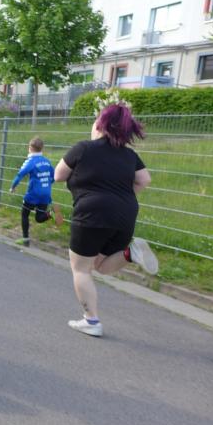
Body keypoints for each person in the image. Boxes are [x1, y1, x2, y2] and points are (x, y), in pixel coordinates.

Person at [54, 103, 158, 337]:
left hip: (91, 213)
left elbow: (58, 175)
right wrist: (121, 194)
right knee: (100, 266)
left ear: (100, 125)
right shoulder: (129, 155)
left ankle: (91, 321)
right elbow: (145, 180)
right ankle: (131, 253)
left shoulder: (84, 148)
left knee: (81, 269)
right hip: (125, 214)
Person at [9, 137, 63, 247]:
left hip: (33, 194)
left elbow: (20, 175)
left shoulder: (30, 161)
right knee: (39, 218)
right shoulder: (47, 161)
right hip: (46, 193)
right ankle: (51, 213)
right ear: (42, 148)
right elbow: (54, 176)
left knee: (24, 214)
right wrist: (47, 184)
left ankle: (25, 240)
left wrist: (13, 186)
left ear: (30, 148)